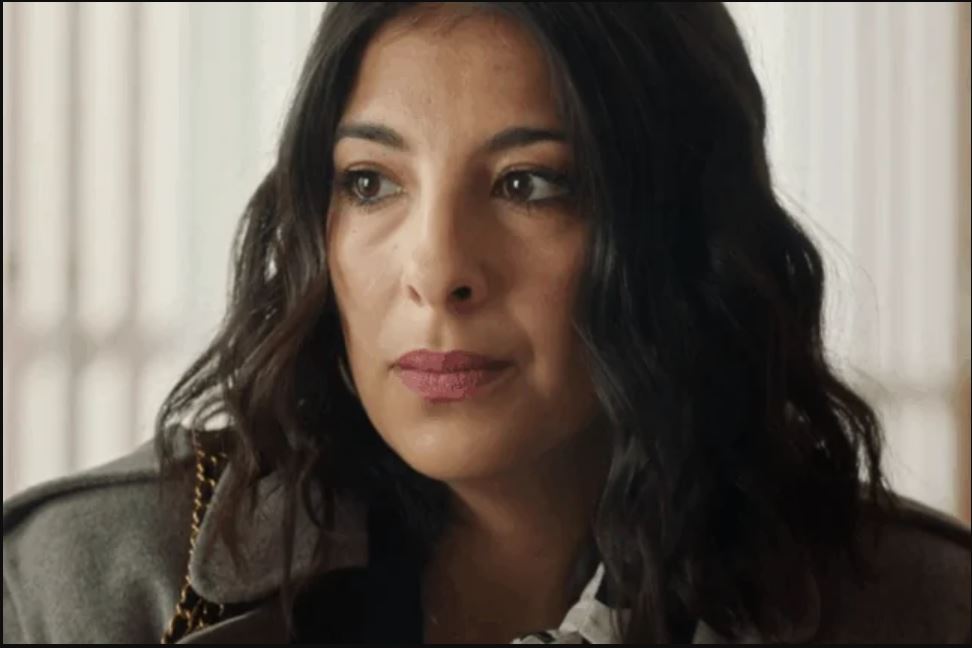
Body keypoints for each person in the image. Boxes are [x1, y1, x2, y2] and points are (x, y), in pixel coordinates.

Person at [3, 2, 970, 644]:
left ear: (681, 231)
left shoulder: (915, 606)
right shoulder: (91, 587)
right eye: (371, 183)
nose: (436, 272)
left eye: (528, 184)